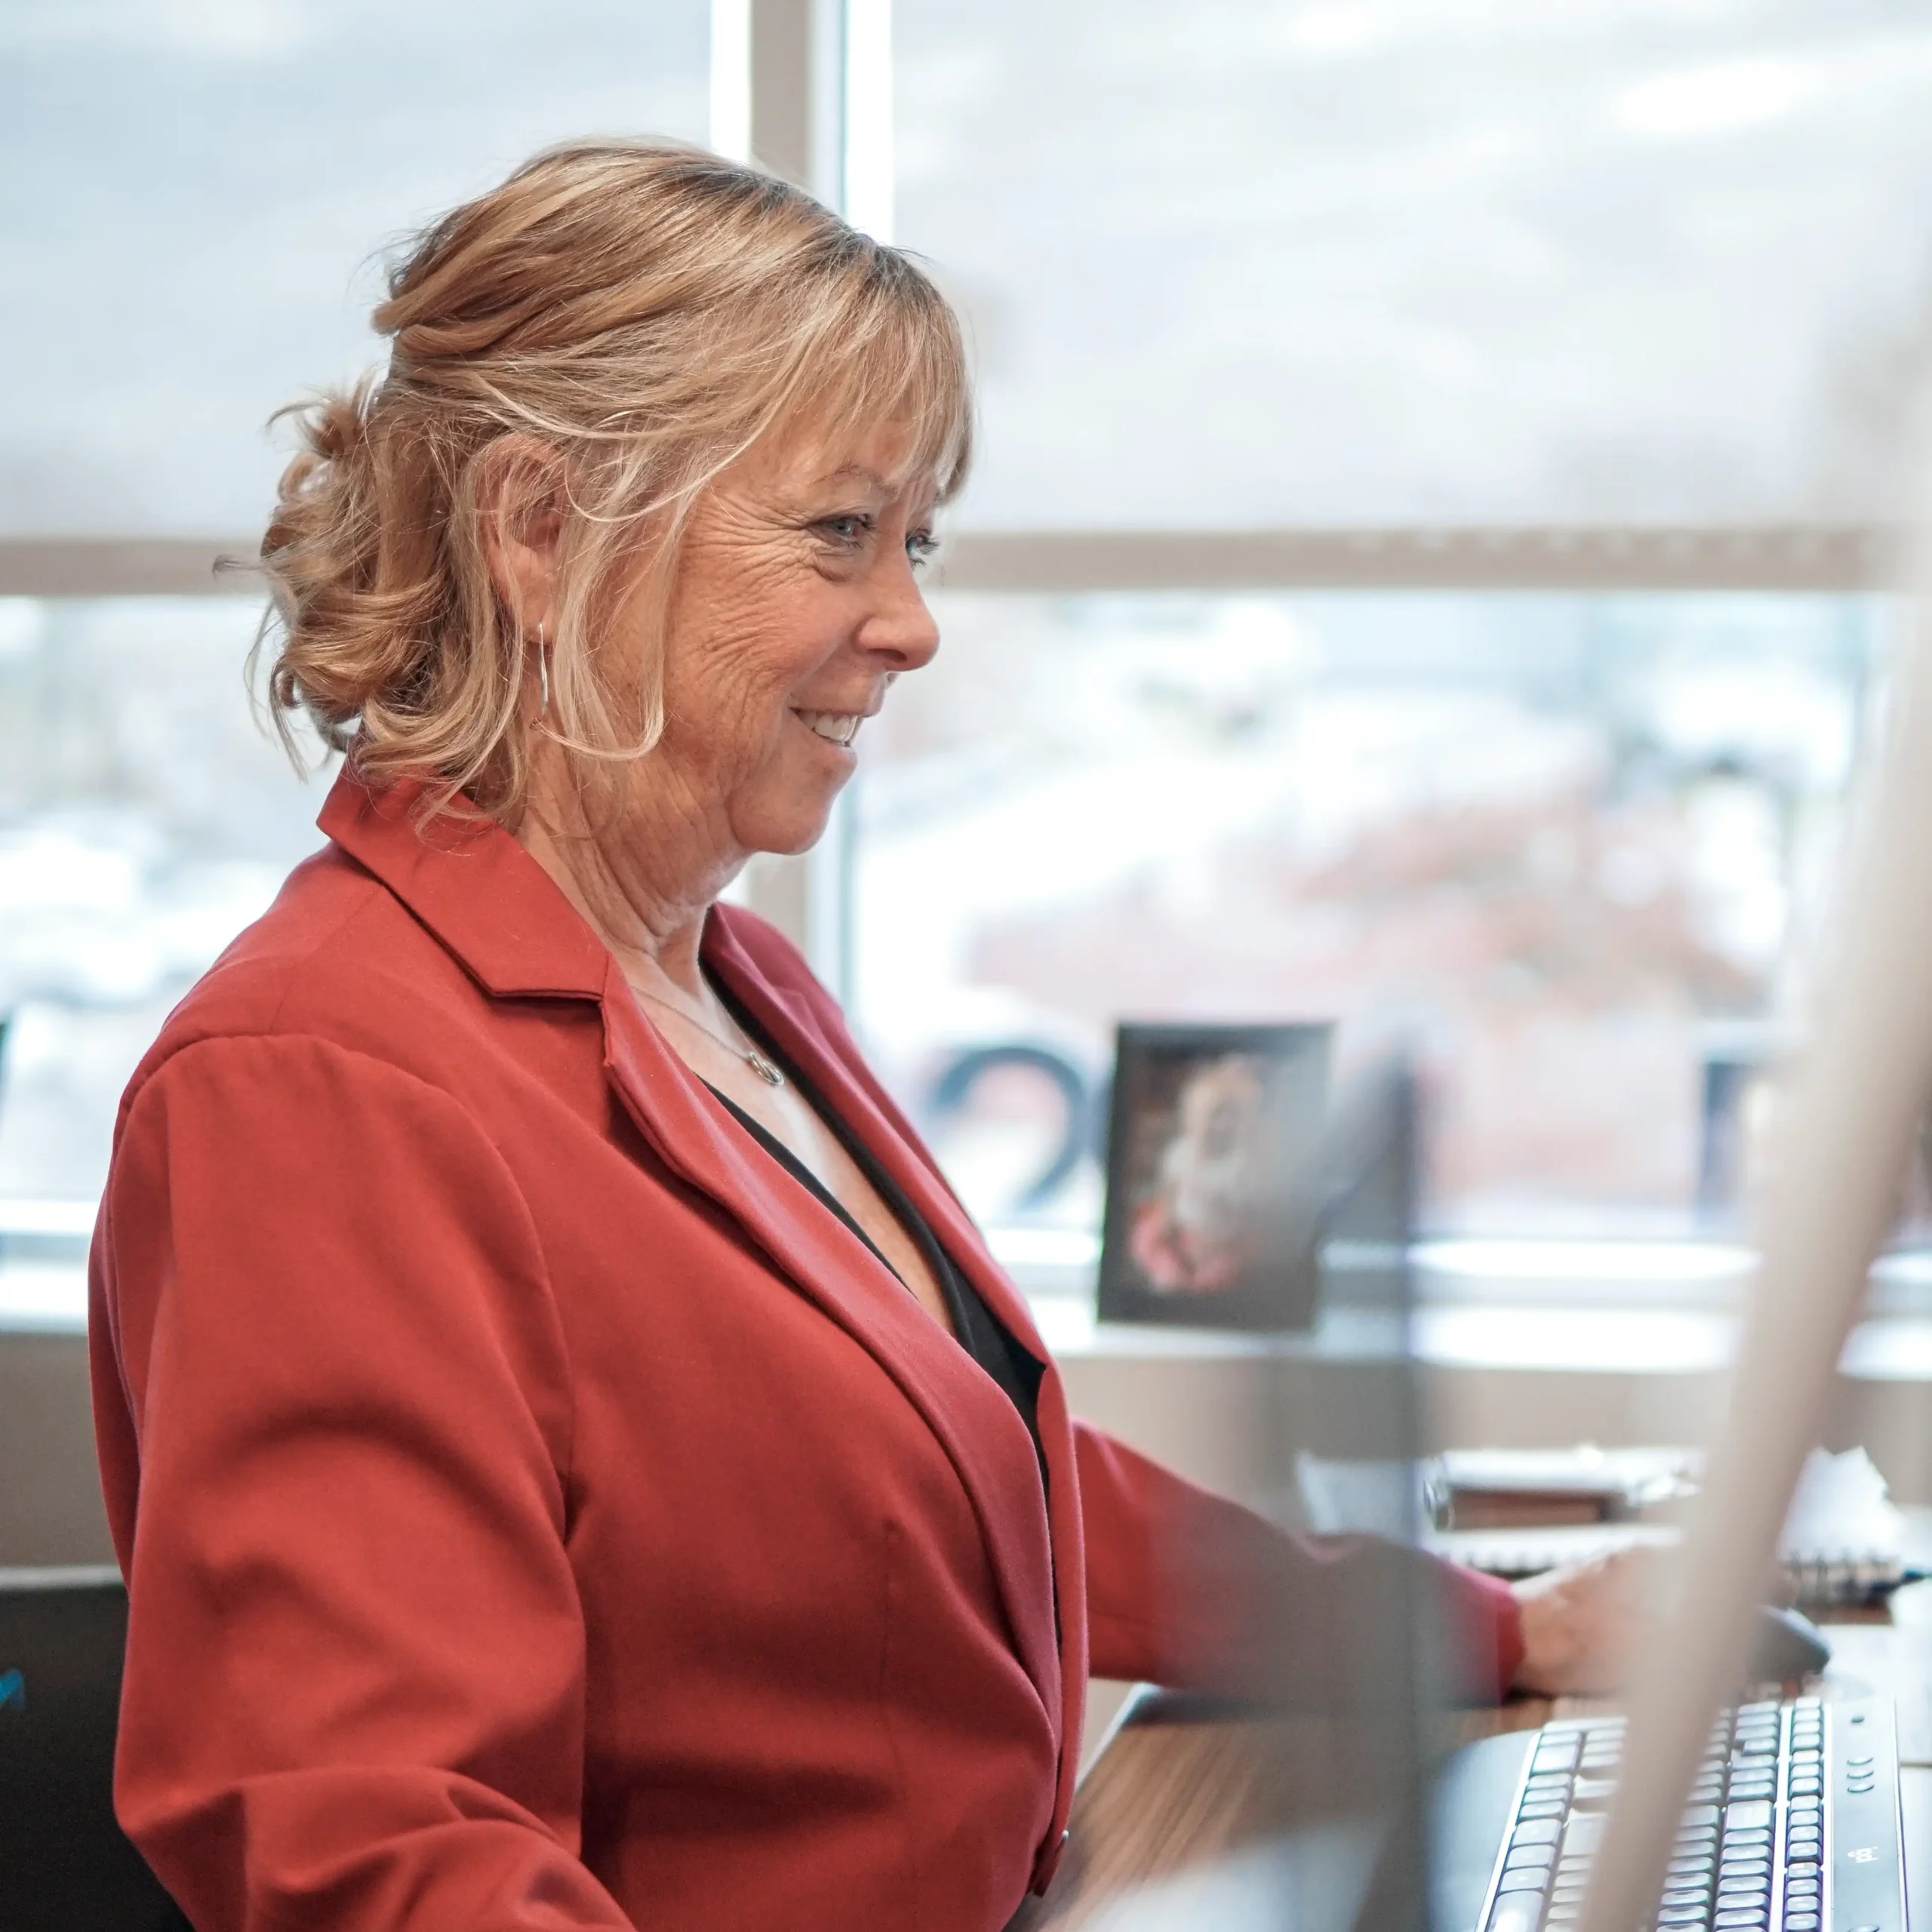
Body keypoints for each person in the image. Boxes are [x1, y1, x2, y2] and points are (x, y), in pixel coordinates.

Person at [88, 140, 1649, 1932]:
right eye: (839, 531)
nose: (908, 622)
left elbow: (985, 1474)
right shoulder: (316, 1085)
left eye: (914, 540)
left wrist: (1485, 1621)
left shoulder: (733, 979)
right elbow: (380, 1857)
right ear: (539, 531)